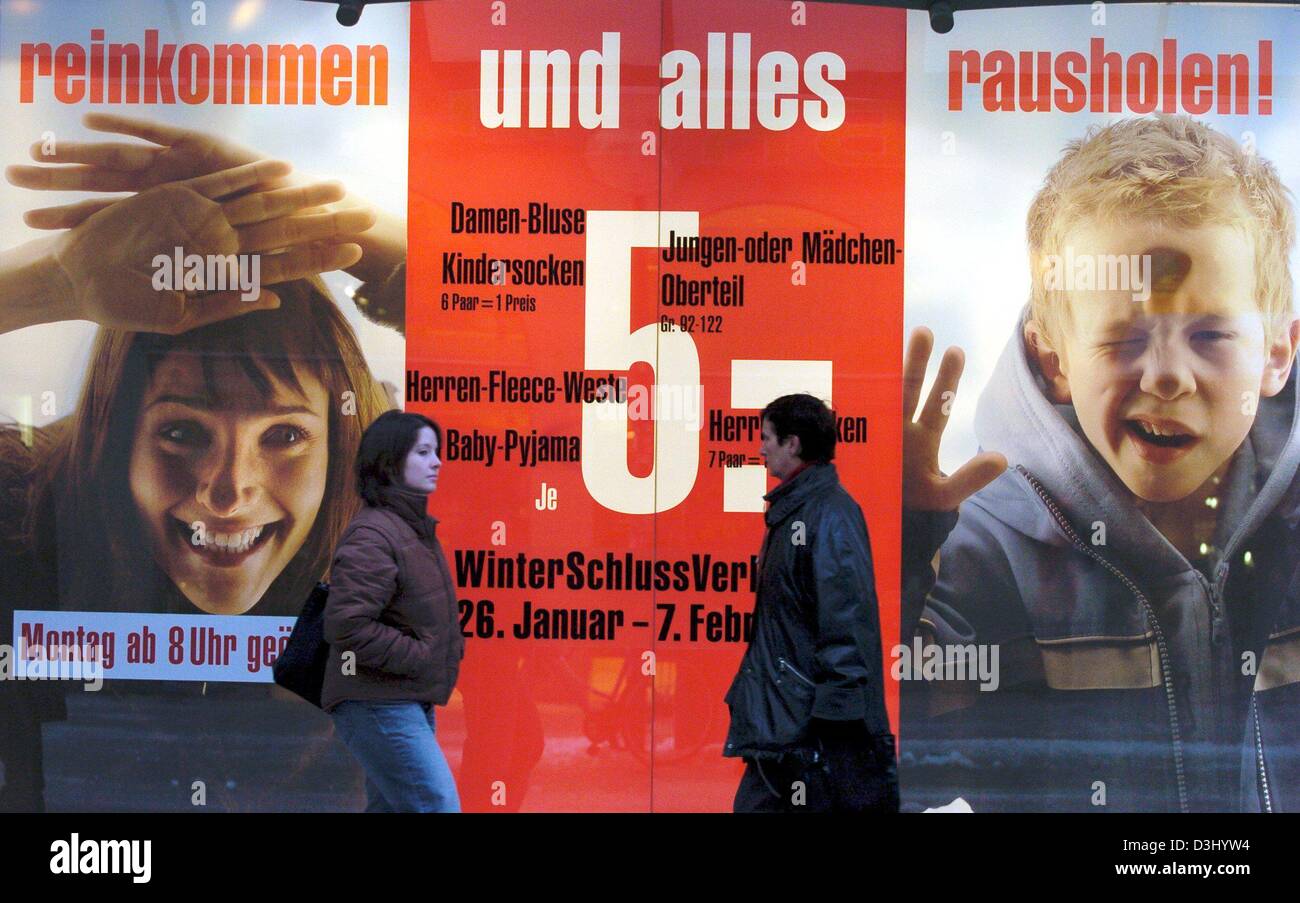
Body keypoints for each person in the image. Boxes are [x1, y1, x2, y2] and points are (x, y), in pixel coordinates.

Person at [901, 115, 1300, 812]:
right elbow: (889, 769)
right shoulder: (982, 549)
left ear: (1275, 354)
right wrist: (885, 556)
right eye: (1124, 338)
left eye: (1208, 333)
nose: (1167, 376)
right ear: (1055, 360)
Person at [723, 393, 898, 813]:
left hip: (806, 729)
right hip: (789, 723)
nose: (760, 448)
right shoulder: (799, 511)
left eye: (767, 438)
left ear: (793, 443)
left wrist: (832, 723)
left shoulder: (828, 514)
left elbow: (846, 619)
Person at [323, 410, 466, 813]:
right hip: (377, 702)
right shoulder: (374, 534)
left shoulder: (411, 529)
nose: (437, 462)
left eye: (436, 452)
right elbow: (347, 625)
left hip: (403, 696)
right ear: (391, 461)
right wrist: (422, 655)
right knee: (436, 806)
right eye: (423, 452)